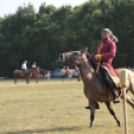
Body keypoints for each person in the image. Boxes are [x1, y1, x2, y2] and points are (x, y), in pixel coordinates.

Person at [91, 28, 120, 103]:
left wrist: (100, 56)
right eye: (102, 34)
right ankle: (92, 98)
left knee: (105, 77)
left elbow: (112, 54)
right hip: (97, 64)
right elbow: (94, 53)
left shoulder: (111, 43)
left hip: (106, 65)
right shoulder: (100, 44)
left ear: (109, 34)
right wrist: (88, 58)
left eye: (104, 33)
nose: (102, 35)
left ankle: (115, 94)